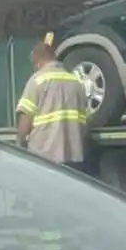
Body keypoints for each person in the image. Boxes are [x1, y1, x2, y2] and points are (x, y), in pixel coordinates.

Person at [14, 36, 92, 174]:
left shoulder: (37, 80)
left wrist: (19, 141)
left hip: (45, 157)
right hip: (74, 158)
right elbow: (85, 122)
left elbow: (26, 118)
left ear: (38, 62)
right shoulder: (76, 82)